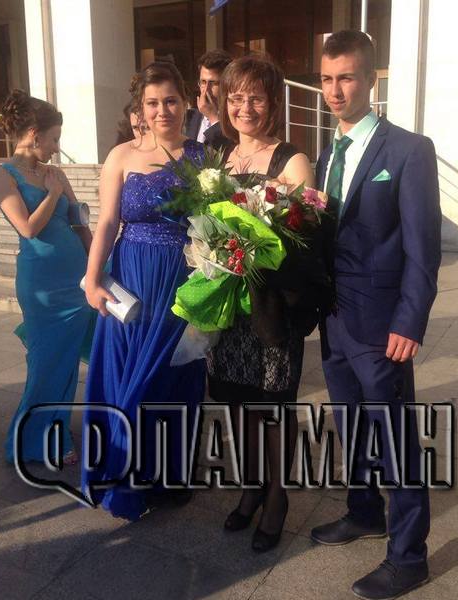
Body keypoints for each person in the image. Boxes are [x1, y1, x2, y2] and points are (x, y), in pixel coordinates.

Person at [310, 31, 441, 599]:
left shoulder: (409, 150)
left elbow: (423, 246)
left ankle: (409, 557)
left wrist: (409, 321)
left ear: (370, 80)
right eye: (326, 79)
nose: (334, 91)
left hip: (383, 324)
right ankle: (364, 511)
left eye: (346, 78)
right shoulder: (327, 152)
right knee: (352, 426)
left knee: (395, 439)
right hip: (335, 320)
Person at [207, 55, 332, 552]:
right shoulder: (219, 156)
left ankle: (278, 497)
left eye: (255, 97)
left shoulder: (291, 160)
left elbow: (304, 237)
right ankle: (252, 487)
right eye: (236, 97)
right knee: (237, 402)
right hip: (228, 304)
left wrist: (258, 243)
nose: (245, 107)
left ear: (273, 102)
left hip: (271, 305)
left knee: (272, 404)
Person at [82, 62, 206, 521]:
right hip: (130, 280)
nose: (162, 110)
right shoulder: (121, 155)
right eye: (152, 103)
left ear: (186, 102)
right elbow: (107, 223)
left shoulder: (203, 156)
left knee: (171, 378)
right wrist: (93, 279)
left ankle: (167, 476)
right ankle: (124, 473)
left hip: (181, 282)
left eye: (171, 100)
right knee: (127, 376)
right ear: (140, 107)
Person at [0, 90, 93, 464]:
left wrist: (96, 261)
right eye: (54, 139)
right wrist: (52, 194)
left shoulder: (55, 172)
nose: (56, 148)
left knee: (66, 362)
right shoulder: (2, 175)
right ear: (34, 135)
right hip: (42, 287)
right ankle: (30, 440)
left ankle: (57, 432)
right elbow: (28, 227)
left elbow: (78, 221)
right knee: (47, 362)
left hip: (76, 279)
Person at [185, 49, 232, 150]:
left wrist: (213, 118)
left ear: (227, 85)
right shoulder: (189, 118)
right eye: (203, 82)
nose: (206, 90)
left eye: (214, 83)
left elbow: (229, 150)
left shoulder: (237, 118)